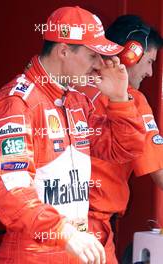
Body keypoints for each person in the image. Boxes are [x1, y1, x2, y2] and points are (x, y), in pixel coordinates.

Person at [0, 7, 146, 264]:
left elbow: (122, 150)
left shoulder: (76, 101)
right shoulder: (16, 104)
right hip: (34, 253)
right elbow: (10, 187)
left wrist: (119, 98)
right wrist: (62, 231)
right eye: (92, 55)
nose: (98, 65)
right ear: (64, 50)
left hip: (78, 248)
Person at [78, 15, 163, 264]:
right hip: (92, 232)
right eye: (149, 62)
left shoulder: (71, 90)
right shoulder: (133, 101)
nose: (149, 72)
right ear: (129, 55)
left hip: (54, 223)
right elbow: (160, 173)